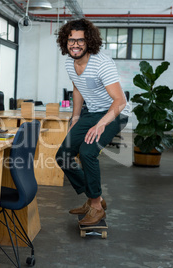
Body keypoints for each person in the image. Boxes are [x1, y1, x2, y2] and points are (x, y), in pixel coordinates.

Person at [55, 18, 130, 225]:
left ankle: (96, 207)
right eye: (71, 40)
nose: (75, 44)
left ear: (89, 42)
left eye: (80, 40)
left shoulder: (101, 63)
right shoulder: (70, 62)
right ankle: (93, 198)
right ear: (65, 41)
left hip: (114, 113)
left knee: (88, 152)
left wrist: (100, 124)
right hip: (90, 113)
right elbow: (78, 88)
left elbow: (120, 101)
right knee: (63, 156)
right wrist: (76, 117)